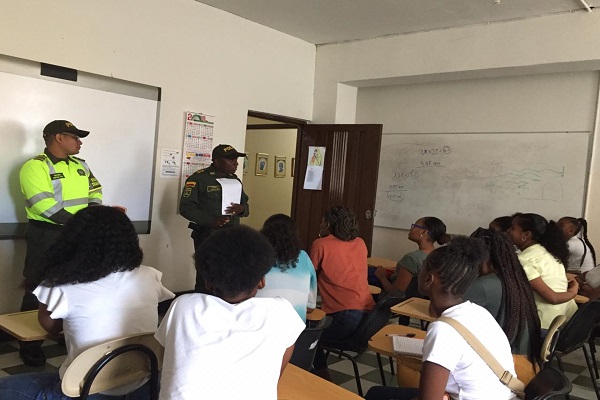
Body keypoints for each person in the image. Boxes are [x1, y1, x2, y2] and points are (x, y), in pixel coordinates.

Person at [0, 206, 174, 399]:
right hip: (143, 386)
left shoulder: (61, 286)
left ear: (72, 241)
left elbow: (51, 328)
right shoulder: (150, 276)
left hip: (84, 391)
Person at [155, 225, 305, 400]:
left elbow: (169, 357)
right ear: (262, 281)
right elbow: (277, 370)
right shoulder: (281, 312)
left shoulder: (183, 307)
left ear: (207, 282)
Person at [365, 237, 519, 400]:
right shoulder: (478, 312)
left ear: (428, 279)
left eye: (422, 268)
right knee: (378, 393)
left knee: (376, 395)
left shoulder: (443, 330)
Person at [17, 119, 103, 367]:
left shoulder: (81, 165)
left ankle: (64, 333)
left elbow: (95, 191)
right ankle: (29, 346)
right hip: (47, 234)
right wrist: (82, 222)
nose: (80, 142)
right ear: (58, 138)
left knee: (75, 283)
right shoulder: (35, 166)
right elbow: (43, 205)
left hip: (77, 233)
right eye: (75, 137)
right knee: (37, 286)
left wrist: (90, 217)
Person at [309, 205, 375, 379]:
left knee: (306, 336)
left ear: (327, 224)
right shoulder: (360, 242)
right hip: (368, 318)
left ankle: (323, 380)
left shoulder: (320, 244)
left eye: (322, 221)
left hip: (344, 318)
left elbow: (309, 276)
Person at [466, 228, 542, 367]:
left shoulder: (482, 286)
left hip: (504, 365)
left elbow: (440, 314)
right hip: (525, 360)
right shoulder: (515, 280)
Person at [179, 144, 249, 292]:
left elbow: (245, 205)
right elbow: (186, 208)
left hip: (232, 234)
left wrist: (242, 209)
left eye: (236, 160)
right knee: (206, 272)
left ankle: (225, 299)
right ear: (217, 161)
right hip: (208, 234)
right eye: (231, 160)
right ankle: (202, 300)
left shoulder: (235, 180)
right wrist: (211, 221)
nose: (236, 163)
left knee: (229, 271)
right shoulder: (199, 179)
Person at [509, 213, 578, 331]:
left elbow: (553, 298)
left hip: (542, 325)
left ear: (526, 235)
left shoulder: (524, 259)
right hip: (562, 321)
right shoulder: (549, 253)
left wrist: (573, 292)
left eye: (513, 228)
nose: (508, 231)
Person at [374, 217, 449, 324]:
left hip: (398, 301)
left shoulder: (412, 259)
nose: (411, 229)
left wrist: (382, 276)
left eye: (414, 226)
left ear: (423, 232)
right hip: (417, 299)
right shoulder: (438, 256)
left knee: (371, 274)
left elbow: (395, 293)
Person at [256, 213, 317, 321]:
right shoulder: (304, 258)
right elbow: (310, 307)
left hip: (260, 326)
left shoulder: (256, 258)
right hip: (295, 330)